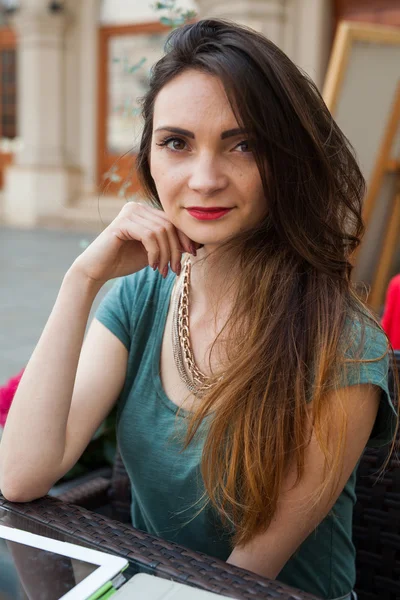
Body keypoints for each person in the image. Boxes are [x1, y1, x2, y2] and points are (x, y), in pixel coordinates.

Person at [0, 18, 397, 600]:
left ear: (285, 161)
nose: (204, 179)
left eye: (243, 144)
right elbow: (21, 474)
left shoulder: (341, 344)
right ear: (151, 156)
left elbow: (242, 576)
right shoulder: (142, 296)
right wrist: (80, 279)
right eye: (176, 143)